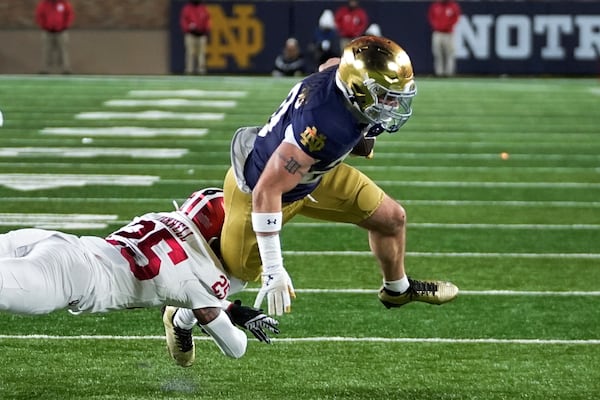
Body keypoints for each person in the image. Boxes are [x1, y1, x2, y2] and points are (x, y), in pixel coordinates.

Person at [0, 188, 279, 367]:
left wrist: (227, 307)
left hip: (57, 242)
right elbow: (235, 349)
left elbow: (185, 283)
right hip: (69, 278)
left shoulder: (162, 217)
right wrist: (224, 308)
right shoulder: (206, 277)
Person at [35, 0, 74, 74]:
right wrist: (44, 26)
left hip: (61, 31)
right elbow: (39, 15)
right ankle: (45, 69)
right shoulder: (43, 4)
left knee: (63, 50)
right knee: (47, 50)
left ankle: (65, 69)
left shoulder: (64, 4)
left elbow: (69, 15)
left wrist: (65, 26)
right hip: (48, 32)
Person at [427, 0, 462, 77]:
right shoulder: (436, 5)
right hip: (438, 33)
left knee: (449, 53)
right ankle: (439, 72)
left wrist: (448, 26)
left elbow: (456, 17)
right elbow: (431, 16)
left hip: (449, 33)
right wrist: (436, 25)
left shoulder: (453, 6)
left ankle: (449, 73)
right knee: (438, 53)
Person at [180, 0, 211, 75]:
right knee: (190, 53)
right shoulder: (187, 8)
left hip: (201, 34)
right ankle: (189, 70)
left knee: (201, 53)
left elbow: (208, 20)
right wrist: (188, 28)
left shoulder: (203, 8)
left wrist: (206, 30)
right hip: (191, 34)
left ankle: (201, 70)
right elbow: (184, 21)